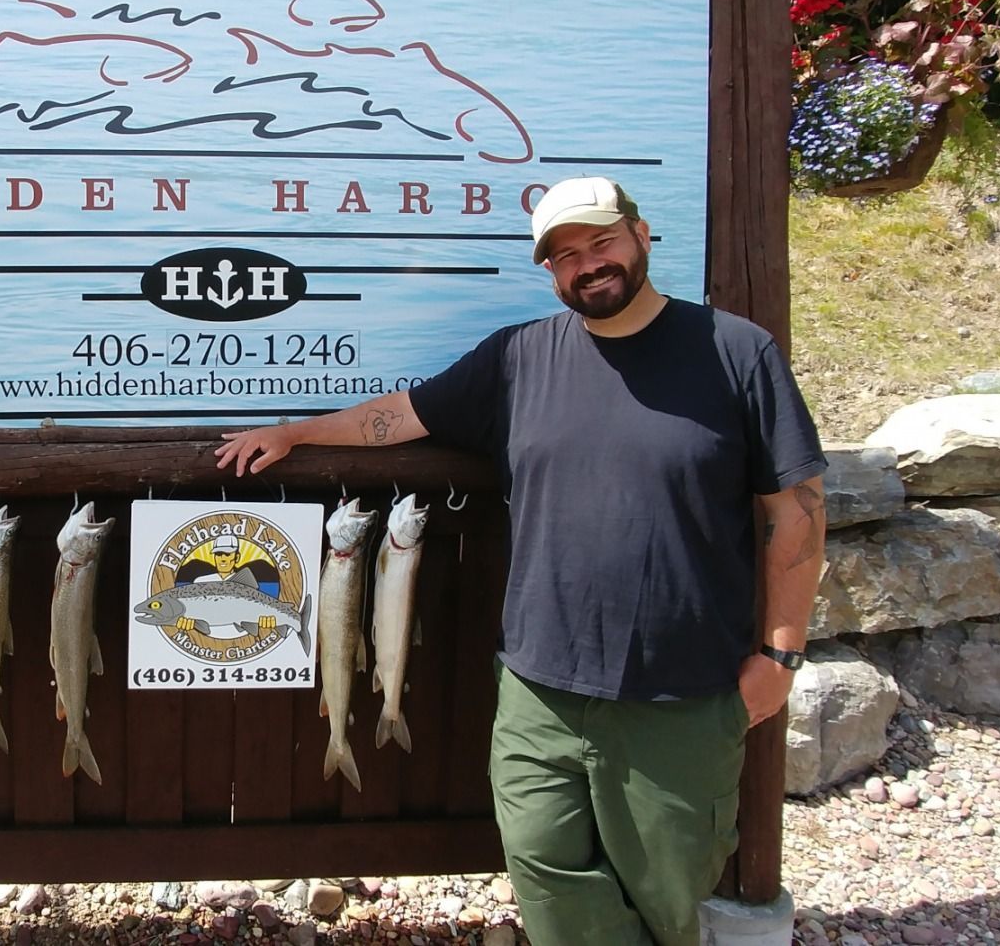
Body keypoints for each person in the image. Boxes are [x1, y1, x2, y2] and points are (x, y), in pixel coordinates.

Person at [216, 177, 827, 946]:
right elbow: (400, 415)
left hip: (680, 689)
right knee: (543, 868)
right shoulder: (518, 358)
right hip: (538, 688)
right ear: (549, 271)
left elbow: (796, 510)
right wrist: (299, 432)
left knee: (669, 889)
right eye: (565, 255)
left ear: (641, 235)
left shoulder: (737, 353)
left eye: (601, 242)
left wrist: (780, 651)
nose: (587, 265)